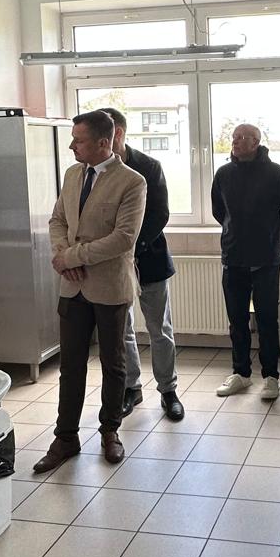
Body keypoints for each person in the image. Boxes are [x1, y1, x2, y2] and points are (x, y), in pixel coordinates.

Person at [33, 110, 146, 471]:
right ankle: (65, 437)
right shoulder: (72, 175)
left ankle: (110, 431)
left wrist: (72, 256)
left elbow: (123, 238)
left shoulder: (132, 182)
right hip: (73, 287)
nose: (72, 146)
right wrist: (62, 255)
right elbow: (58, 220)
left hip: (110, 286)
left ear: (103, 142)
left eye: (78, 140)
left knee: (113, 364)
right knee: (70, 366)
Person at [102, 106, 184, 421]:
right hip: (112, 263)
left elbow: (159, 214)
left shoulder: (149, 167)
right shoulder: (97, 170)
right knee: (122, 329)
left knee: (159, 329)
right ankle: (131, 388)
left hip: (149, 259)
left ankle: (168, 391)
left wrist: (131, 248)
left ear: (118, 134)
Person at [210, 123, 280, 399]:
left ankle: (271, 376)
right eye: (233, 137)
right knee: (237, 320)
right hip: (234, 256)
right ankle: (241, 374)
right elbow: (218, 211)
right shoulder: (223, 174)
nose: (235, 141)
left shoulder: (277, 174)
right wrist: (234, 232)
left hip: (266, 259)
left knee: (266, 319)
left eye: (242, 137)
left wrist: (271, 234)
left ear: (256, 142)